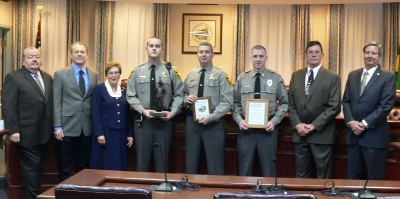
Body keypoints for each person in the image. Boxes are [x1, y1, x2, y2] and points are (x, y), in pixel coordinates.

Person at [2, 47, 53, 199]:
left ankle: (27, 195)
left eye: (37, 56)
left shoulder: (48, 77)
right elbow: (9, 106)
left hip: (44, 132)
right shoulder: (14, 77)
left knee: (35, 169)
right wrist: (13, 130)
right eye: (30, 57)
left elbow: (49, 104)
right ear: (23, 61)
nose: (34, 59)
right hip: (25, 133)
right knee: (32, 168)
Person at [126, 37, 183, 172]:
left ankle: (162, 192)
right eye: (151, 46)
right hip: (143, 122)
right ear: (146, 49)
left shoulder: (171, 71)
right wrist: (142, 110)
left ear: (162, 49)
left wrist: (173, 112)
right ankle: (142, 192)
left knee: (162, 161)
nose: (154, 48)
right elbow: (130, 95)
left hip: (164, 122)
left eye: (157, 46)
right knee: (142, 162)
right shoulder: (137, 71)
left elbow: (180, 95)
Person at [342, 41, 396, 180]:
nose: (370, 56)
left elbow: (385, 106)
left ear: (379, 56)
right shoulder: (353, 75)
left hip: (375, 138)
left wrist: (364, 124)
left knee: (374, 182)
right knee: (353, 182)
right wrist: (351, 122)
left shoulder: (388, 76)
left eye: (373, 53)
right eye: (367, 52)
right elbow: (346, 101)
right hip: (354, 138)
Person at [288, 41, 341, 179]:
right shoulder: (296, 75)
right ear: (305, 55)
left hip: (321, 135)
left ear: (322, 55)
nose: (313, 55)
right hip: (300, 135)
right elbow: (291, 104)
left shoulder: (332, 77)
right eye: (310, 52)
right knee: (301, 176)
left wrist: (314, 126)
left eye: (317, 52)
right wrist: (298, 124)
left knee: (323, 178)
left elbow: (334, 107)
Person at [232, 45, 287, 177]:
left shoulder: (275, 78)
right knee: (244, 170)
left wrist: (274, 122)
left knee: (269, 171)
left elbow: (284, 103)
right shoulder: (242, 79)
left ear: (266, 58)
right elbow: (235, 103)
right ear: (250, 58)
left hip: (267, 131)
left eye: (261, 56)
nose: (258, 59)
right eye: (255, 56)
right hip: (246, 131)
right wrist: (239, 121)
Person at [184, 42, 233, 175]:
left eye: (206, 52)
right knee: (191, 161)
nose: (203, 54)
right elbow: (182, 95)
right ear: (197, 54)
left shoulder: (221, 75)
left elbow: (227, 101)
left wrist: (211, 117)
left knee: (215, 163)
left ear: (212, 54)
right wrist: (185, 99)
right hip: (192, 124)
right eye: (201, 52)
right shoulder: (190, 74)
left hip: (213, 125)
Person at [53, 41, 99, 181]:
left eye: (82, 52)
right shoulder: (60, 74)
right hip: (66, 127)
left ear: (87, 54)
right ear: (70, 55)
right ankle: (64, 193)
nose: (80, 54)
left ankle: (81, 191)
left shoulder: (94, 74)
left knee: (83, 165)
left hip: (86, 127)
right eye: (76, 52)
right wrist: (57, 126)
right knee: (65, 165)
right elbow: (56, 101)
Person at [90, 61, 134, 170]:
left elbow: (127, 115)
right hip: (105, 134)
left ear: (120, 74)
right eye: (110, 73)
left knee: (119, 165)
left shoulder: (124, 92)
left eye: (116, 72)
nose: (113, 76)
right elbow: (95, 113)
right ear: (106, 75)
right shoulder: (99, 89)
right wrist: (99, 133)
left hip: (121, 135)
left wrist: (130, 133)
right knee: (105, 164)